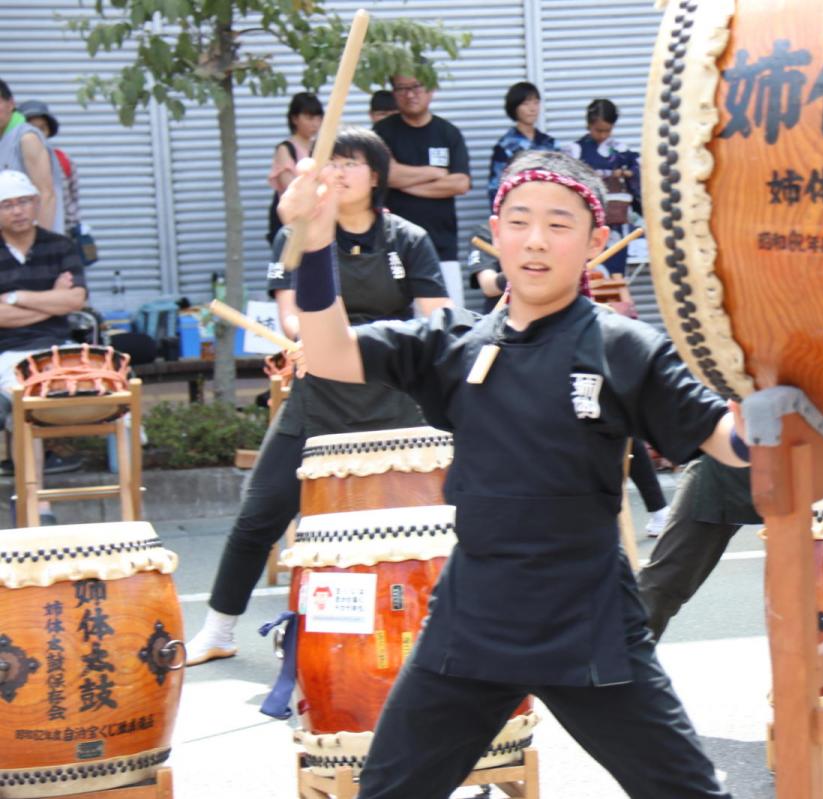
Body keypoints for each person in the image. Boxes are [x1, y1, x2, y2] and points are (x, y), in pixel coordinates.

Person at [282, 148, 747, 798]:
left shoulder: (622, 346)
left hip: (587, 620)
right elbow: (328, 352)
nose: (536, 240)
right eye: (520, 220)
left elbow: (732, 442)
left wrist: (779, 409)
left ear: (596, 241)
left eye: (559, 224)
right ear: (494, 232)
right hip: (473, 622)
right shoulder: (452, 342)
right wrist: (313, 239)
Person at [185, 128, 452, 666]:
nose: (340, 171)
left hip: (396, 400)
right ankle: (218, 629)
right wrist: (307, 338)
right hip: (321, 396)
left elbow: (436, 318)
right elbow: (289, 313)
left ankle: (440, 624)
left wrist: (379, 345)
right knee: (260, 513)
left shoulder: (408, 238)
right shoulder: (301, 236)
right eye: (330, 162)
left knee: (430, 522)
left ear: (375, 175)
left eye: (352, 163)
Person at [0, 170, 88, 518]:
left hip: (58, 349)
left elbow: (75, 301)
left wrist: (17, 298)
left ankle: (134, 505)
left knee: (120, 399)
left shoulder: (60, 245)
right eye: (7, 205)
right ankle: (37, 504)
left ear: (36, 204)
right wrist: (52, 298)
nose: (17, 210)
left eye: (23, 202)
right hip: (6, 352)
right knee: (24, 407)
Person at [373, 72, 470, 307]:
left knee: (448, 322)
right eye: (401, 88)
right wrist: (434, 173)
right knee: (401, 324)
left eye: (416, 86)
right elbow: (387, 176)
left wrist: (404, 181)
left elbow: (460, 184)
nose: (409, 94)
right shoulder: (382, 132)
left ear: (431, 89)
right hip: (394, 247)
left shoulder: (448, 133)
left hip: (442, 244)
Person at [638, 454, 759, 637]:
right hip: (734, 458)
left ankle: (619, 657)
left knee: (661, 586)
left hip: (789, 458)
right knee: (661, 586)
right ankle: (620, 657)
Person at [561, 98, 640, 276]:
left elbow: (637, 181)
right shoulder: (574, 151)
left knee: (615, 275)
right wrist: (609, 175)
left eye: (608, 130)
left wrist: (629, 174)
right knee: (585, 273)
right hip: (584, 223)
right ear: (589, 125)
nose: (603, 135)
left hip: (615, 226)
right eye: (598, 130)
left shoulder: (622, 151)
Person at [0, 79, 63, 233]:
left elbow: (46, 194)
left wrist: (39, 247)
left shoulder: (27, 138)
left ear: (11, 104)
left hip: (33, 247)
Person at [266, 92, 323, 244]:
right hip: (292, 223)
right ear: (294, 119)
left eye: (318, 118)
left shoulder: (320, 147)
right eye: (309, 118)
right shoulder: (286, 149)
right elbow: (289, 187)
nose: (315, 124)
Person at [487, 81, 556, 203]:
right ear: (514, 107)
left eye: (536, 102)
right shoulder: (505, 147)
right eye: (526, 103)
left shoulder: (550, 143)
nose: (532, 109)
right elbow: (496, 188)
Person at [17, 101, 79, 234]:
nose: (37, 134)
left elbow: (72, 200)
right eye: (31, 128)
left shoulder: (63, 160)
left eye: (42, 128)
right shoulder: (11, 162)